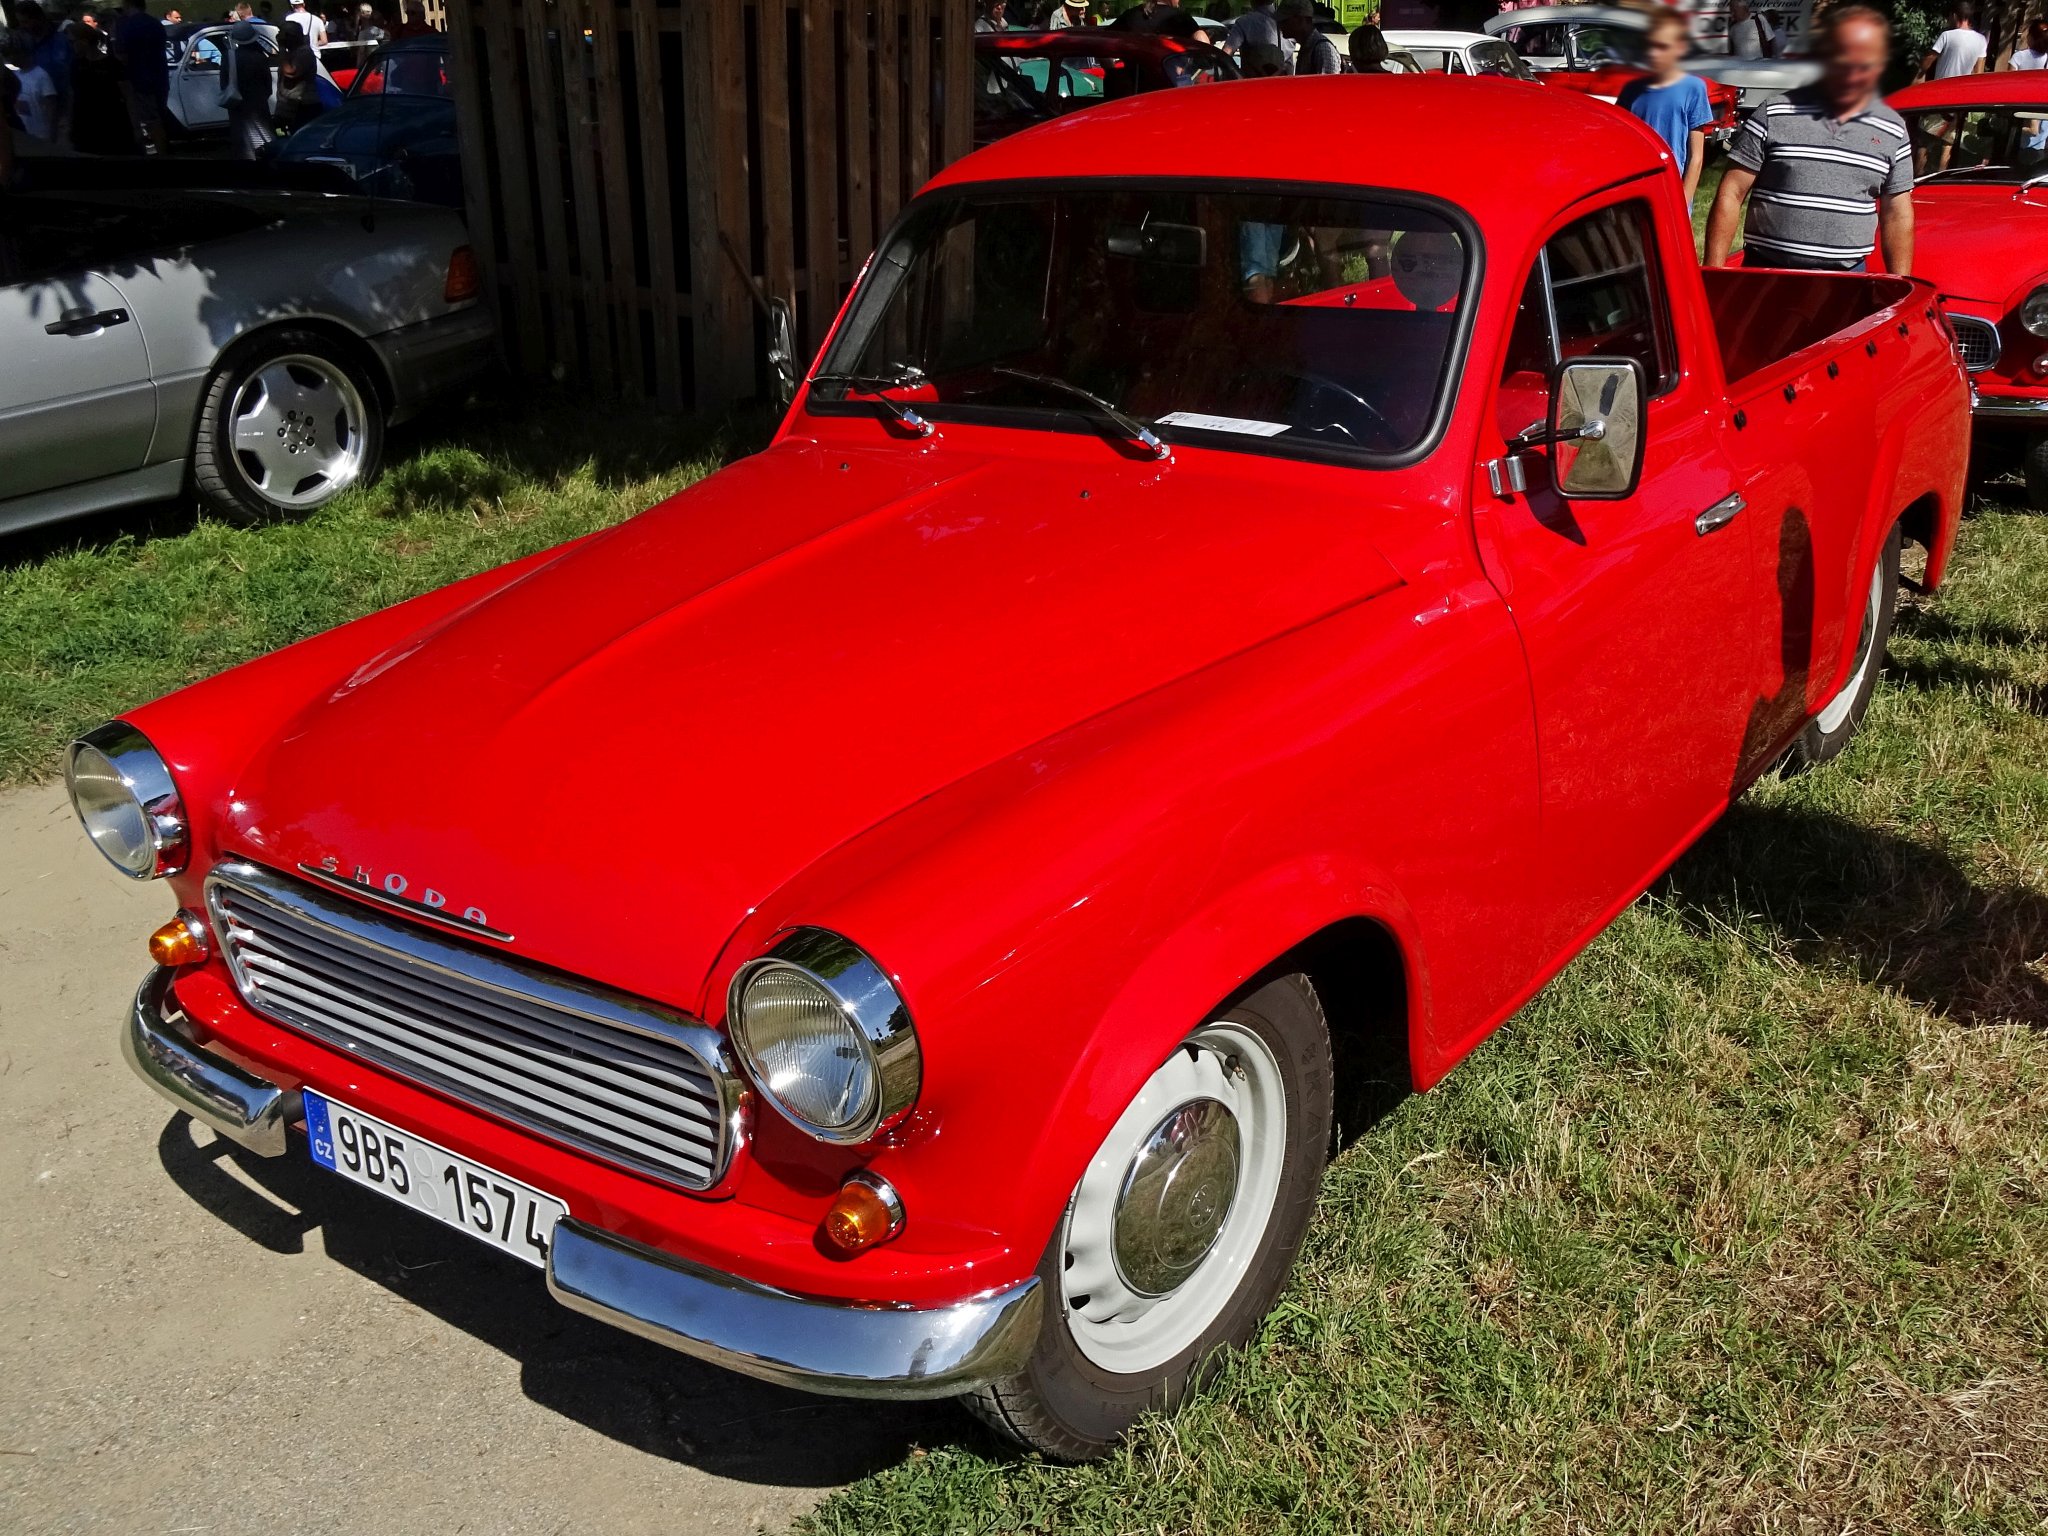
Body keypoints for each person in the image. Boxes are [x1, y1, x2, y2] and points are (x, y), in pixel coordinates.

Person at [1705, 6, 1912, 273]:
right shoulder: (1773, 113)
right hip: (1767, 274)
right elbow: (1731, 193)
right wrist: (1713, 273)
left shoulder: (1892, 129)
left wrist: (1901, 284)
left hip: (1846, 281)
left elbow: (1897, 214)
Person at [1619, 6, 1714, 206]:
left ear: (1679, 47)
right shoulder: (1631, 91)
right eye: (1650, 45)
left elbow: (1696, 157)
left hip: (1672, 194)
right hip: (1638, 194)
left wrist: (1683, 203)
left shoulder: (1693, 88)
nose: (1654, 53)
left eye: (1662, 47)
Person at [111, 0, 168, 154]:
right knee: (158, 119)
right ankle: (161, 152)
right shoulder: (155, 23)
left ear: (128, 5)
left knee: (142, 121)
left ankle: (149, 152)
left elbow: (121, 54)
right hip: (160, 78)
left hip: (136, 80)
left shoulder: (126, 25)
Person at [219, 14, 272, 157]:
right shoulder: (260, 57)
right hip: (259, 104)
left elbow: (223, 83)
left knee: (243, 142)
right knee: (263, 140)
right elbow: (267, 84)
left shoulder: (228, 57)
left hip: (237, 105)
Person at [5, 30, 60, 142]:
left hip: (40, 137)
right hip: (22, 135)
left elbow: (51, 108)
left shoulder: (41, 76)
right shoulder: (15, 75)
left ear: (24, 53)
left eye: (13, 53)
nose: (10, 57)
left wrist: (51, 135)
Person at [274, 17, 322, 132]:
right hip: (291, 106)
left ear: (291, 36)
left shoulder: (304, 52)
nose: (279, 37)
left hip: (304, 106)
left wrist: (281, 48)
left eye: (283, 35)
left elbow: (290, 72)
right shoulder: (293, 52)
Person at [1921, 3, 1987, 80]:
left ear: (1954, 16)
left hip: (1943, 84)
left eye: (1949, 16)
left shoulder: (1946, 35)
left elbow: (1928, 60)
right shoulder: (1981, 40)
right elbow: (1978, 72)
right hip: (1963, 86)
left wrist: (1920, 71)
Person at [1277, 0, 1336, 72]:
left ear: (1300, 20)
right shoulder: (1306, 47)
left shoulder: (1322, 48)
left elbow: (1328, 78)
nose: (1280, 25)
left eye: (1284, 21)